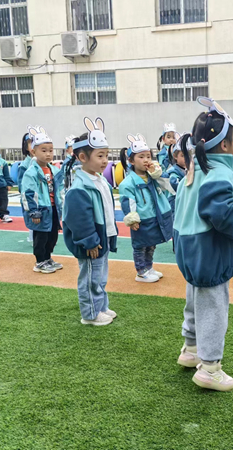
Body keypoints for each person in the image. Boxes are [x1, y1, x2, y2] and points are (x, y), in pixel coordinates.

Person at [173, 97, 233, 392]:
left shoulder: (194, 170)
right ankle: (210, 368)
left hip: (188, 248)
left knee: (194, 300)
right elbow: (220, 213)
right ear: (225, 144)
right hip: (209, 250)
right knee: (213, 308)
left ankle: (191, 350)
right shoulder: (219, 173)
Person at [63, 117, 118, 326]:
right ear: (83, 157)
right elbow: (78, 219)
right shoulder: (80, 188)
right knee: (90, 278)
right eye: (100, 155)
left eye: (107, 155)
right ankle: (90, 314)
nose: (105, 160)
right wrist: (89, 241)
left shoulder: (99, 180)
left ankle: (100, 306)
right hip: (91, 243)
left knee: (100, 277)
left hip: (102, 238)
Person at [118, 134, 174, 283]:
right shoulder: (128, 182)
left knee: (151, 244)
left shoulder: (152, 176)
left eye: (148, 156)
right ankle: (141, 271)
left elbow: (167, 185)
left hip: (154, 216)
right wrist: (132, 218)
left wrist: (157, 173)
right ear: (131, 161)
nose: (146, 160)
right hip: (142, 219)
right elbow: (128, 202)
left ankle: (149, 267)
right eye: (141, 157)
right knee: (140, 246)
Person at [21, 126, 64, 274]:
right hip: (41, 209)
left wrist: (62, 205)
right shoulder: (31, 172)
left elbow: (60, 190)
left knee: (52, 235)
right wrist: (34, 211)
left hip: (53, 208)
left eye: (51, 150)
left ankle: (48, 258)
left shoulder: (55, 170)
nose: (48, 154)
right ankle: (40, 261)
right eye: (44, 150)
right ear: (34, 152)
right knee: (41, 236)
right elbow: (28, 193)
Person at [165, 133, 191, 212]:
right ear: (175, 156)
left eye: (188, 155)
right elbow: (176, 185)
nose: (186, 158)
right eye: (183, 156)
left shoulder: (188, 169)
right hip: (175, 201)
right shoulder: (174, 173)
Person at [18, 131, 35, 243]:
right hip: (31, 196)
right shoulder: (24, 165)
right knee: (33, 217)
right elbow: (21, 185)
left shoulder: (44, 163)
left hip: (44, 196)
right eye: (31, 143)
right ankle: (33, 238)